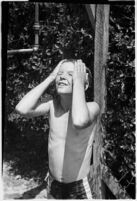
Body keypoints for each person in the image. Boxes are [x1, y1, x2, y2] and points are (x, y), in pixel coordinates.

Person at [15, 59, 100, 199]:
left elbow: (79, 121)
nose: (62, 76)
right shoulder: (52, 105)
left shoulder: (92, 107)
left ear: (84, 85)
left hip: (79, 187)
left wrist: (79, 82)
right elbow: (21, 109)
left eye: (71, 74)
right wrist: (50, 77)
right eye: (60, 74)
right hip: (53, 182)